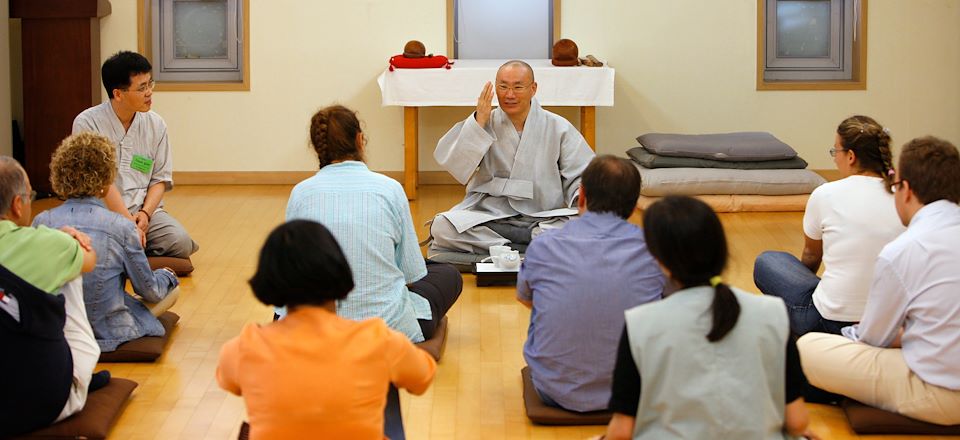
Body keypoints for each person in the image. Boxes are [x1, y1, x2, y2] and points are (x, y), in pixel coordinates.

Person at [599, 196, 814, 440]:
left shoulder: (641, 323)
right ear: (721, 250)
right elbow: (797, 422)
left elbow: (621, 432)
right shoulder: (772, 313)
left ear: (660, 260)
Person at [217, 220, 437, 439]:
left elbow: (229, 381)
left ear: (268, 278)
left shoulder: (243, 347)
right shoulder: (379, 340)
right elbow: (422, 378)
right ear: (339, 270)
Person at [798, 136, 960, 426]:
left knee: (806, 347)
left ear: (906, 190)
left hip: (942, 392)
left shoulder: (905, 249)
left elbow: (874, 338)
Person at [281, 105, 462, 343]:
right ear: (359, 139)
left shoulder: (300, 193)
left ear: (316, 147)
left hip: (311, 329)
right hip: (387, 328)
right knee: (448, 274)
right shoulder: (389, 189)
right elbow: (412, 272)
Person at [516, 155, 664, 412]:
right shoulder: (655, 248)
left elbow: (526, 299)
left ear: (581, 196)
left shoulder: (544, 244)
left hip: (553, 390)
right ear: (633, 205)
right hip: (635, 393)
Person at [754, 115, 904, 337]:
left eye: (836, 152)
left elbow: (812, 256)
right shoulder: (905, 199)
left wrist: (807, 285)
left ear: (851, 156)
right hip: (892, 325)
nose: (835, 159)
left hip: (829, 322)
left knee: (769, 261)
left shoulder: (825, 194)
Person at [429, 60, 595, 255]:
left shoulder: (558, 126)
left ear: (533, 89)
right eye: (503, 87)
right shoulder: (484, 121)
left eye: (518, 87)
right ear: (495, 88)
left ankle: (508, 244)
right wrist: (477, 124)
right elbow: (457, 167)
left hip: (543, 214)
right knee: (441, 226)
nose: (509, 95)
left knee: (584, 225)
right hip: (489, 213)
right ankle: (528, 244)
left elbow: (582, 174)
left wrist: (584, 204)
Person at [33, 133, 180, 353]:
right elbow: (149, 290)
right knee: (169, 289)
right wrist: (168, 276)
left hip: (59, 328)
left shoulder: (41, 221)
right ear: (105, 182)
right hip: (108, 331)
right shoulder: (122, 227)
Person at [0, 156, 103, 436]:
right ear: (17, 204)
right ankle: (79, 374)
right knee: (69, 270)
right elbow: (89, 259)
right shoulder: (48, 243)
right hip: (39, 404)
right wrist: (64, 241)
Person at [72, 50, 198, 259]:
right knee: (94, 245)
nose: (149, 92)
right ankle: (130, 249)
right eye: (141, 88)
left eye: (150, 84)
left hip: (143, 212)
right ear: (118, 94)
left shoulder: (155, 124)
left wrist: (145, 214)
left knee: (180, 243)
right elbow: (101, 183)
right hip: (102, 213)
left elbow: (160, 178)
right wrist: (125, 222)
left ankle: (128, 249)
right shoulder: (87, 123)